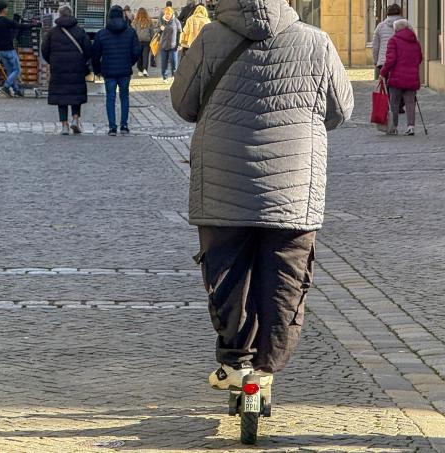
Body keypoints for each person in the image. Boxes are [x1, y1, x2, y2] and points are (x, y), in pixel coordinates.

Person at [171, 0, 353, 395]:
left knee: (227, 273)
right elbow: (340, 111)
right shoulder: (316, 42)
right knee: (285, 279)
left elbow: (183, 104)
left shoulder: (209, 38)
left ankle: (235, 361)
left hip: (222, 182)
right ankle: (268, 367)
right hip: (292, 185)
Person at [41, 5, 92, 135]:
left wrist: (52, 61)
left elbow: (44, 50)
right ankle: (75, 119)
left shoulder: (52, 32)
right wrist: (82, 61)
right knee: (75, 95)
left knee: (61, 97)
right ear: (71, 14)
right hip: (77, 68)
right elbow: (88, 49)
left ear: (59, 15)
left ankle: (64, 125)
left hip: (58, 68)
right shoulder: (80, 31)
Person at [92, 5, 141, 136]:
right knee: (124, 97)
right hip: (125, 70)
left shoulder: (102, 34)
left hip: (108, 71)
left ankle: (112, 127)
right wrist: (131, 62)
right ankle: (124, 125)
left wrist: (97, 70)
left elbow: (95, 54)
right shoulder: (130, 32)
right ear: (122, 16)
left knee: (110, 98)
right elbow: (137, 51)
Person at [380, 19, 422, 136]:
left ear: (396, 29)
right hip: (411, 77)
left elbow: (390, 60)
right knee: (410, 103)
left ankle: (394, 127)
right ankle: (411, 127)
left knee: (394, 103)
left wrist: (383, 73)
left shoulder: (393, 41)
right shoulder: (415, 42)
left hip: (396, 78)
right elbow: (419, 58)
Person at [0, 1, 31, 98]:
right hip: (9, 49)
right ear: (4, 9)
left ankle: (16, 90)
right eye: (7, 8)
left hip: (0, 50)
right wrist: (33, 25)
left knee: (10, 71)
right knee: (17, 69)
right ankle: (6, 86)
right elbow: (19, 26)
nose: (7, 10)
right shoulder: (6, 21)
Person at [371, 4, 403, 79]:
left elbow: (375, 46)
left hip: (384, 62)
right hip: (401, 61)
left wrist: (376, 61)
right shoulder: (406, 25)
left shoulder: (380, 26)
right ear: (400, 13)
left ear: (387, 14)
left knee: (388, 84)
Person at [158, 6, 182, 82]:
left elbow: (179, 32)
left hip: (173, 45)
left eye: (169, 14)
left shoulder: (176, 21)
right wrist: (160, 30)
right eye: (166, 14)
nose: (167, 15)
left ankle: (174, 75)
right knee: (164, 62)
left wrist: (179, 43)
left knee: (174, 61)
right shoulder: (161, 21)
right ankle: (164, 77)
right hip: (163, 45)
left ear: (172, 13)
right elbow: (157, 31)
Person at [132, 7, 154, 77]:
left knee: (139, 56)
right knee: (146, 56)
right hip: (147, 41)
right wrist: (152, 39)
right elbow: (152, 32)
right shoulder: (149, 21)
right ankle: (145, 69)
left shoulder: (135, 21)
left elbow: (133, 32)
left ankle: (139, 70)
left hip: (138, 41)